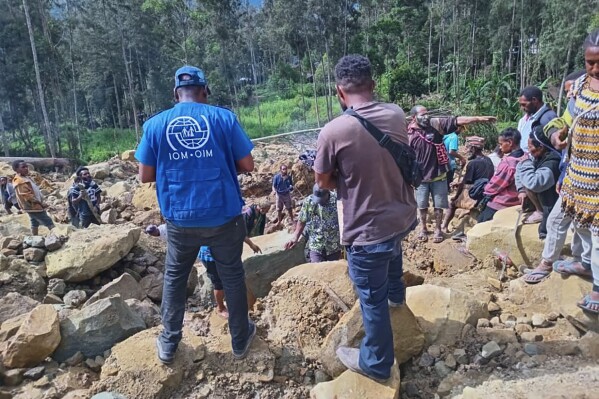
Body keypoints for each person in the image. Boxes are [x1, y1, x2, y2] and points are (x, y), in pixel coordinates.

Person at [135, 65, 256, 364]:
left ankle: (169, 342)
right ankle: (240, 339)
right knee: (232, 276)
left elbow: (144, 175)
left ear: (176, 93)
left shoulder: (155, 125)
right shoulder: (223, 118)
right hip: (224, 217)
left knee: (175, 278)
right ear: (204, 91)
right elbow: (249, 164)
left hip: (180, 218)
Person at [314, 54, 417, 383]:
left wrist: (346, 180)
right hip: (401, 216)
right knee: (393, 252)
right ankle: (398, 298)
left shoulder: (334, 130)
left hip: (366, 229)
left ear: (338, 92)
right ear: (373, 85)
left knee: (370, 300)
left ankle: (376, 361)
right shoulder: (396, 114)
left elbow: (322, 182)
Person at [532, 30, 599, 314]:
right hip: (575, 175)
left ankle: (597, 289)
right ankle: (565, 262)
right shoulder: (580, 87)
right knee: (562, 220)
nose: (595, 69)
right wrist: (555, 132)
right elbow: (565, 120)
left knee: (597, 235)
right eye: (589, 62)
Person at [522, 70, 590, 285]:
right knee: (564, 221)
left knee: (581, 225)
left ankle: (581, 265)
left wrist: (523, 168)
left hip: (589, 181)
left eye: (572, 92)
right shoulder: (572, 111)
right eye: (570, 92)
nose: (570, 96)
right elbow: (558, 128)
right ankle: (559, 261)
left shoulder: (589, 112)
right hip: (573, 176)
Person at [408, 105, 495, 243]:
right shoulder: (409, 133)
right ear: (414, 118)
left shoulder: (435, 124)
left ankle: (438, 229)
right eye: (422, 115)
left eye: (427, 114)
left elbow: (457, 120)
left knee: (439, 205)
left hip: (439, 175)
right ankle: (423, 228)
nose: (426, 117)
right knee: (422, 205)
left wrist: (478, 118)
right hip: (420, 178)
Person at [145, 225, 261, 319]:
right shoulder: (207, 219)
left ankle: (236, 306)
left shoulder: (225, 219)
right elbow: (182, 231)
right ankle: (220, 308)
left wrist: (251, 244)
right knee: (219, 283)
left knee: (233, 279)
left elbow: (238, 232)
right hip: (209, 256)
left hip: (224, 253)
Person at [441, 136, 494, 234]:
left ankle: (444, 227)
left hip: (476, 194)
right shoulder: (488, 160)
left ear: (473, 149)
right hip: (485, 192)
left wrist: (456, 196)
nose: (466, 150)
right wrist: (459, 183)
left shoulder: (473, 163)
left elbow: (465, 183)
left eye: (468, 148)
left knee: (451, 204)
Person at [515, 127, 561, 238]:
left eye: (530, 147)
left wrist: (526, 163)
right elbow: (519, 169)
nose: (529, 150)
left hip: (552, 202)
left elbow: (533, 183)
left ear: (541, 147)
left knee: (549, 231)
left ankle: (541, 212)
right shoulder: (538, 157)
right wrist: (521, 190)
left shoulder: (552, 164)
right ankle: (538, 209)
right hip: (544, 197)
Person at [477, 128, 525, 223]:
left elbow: (496, 185)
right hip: (518, 200)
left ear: (510, 142)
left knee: (482, 221)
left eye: (501, 144)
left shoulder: (508, 163)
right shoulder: (526, 157)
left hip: (504, 202)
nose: (500, 147)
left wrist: (485, 188)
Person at [284, 184, 341, 262]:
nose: (319, 202)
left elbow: (345, 219)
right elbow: (302, 220)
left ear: (327, 193)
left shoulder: (337, 199)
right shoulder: (308, 201)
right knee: (317, 271)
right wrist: (295, 237)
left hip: (334, 246)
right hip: (316, 245)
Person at [11, 160, 55, 235]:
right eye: (23, 167)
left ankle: (34, 237)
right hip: (33, 206)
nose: (26, 168)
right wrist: (41, 204)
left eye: (26, 166)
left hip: (33, 206)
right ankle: (57, 236)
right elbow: (28, 197)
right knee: (48, 221)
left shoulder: (25, 178)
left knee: (34, 222)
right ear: (16, 169)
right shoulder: (19, 181)